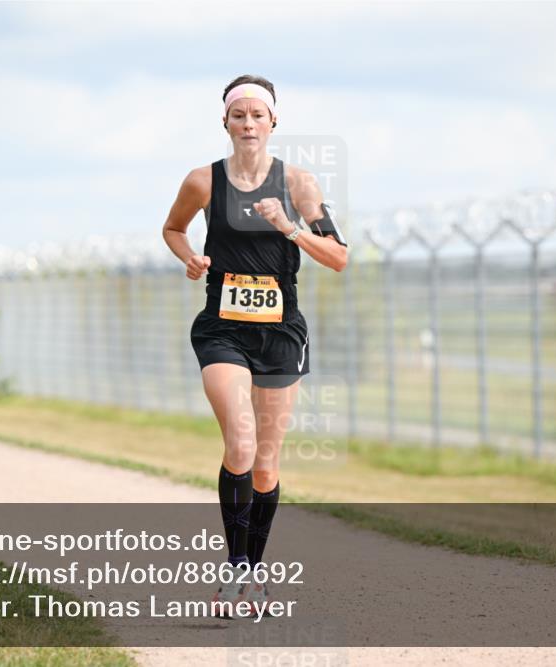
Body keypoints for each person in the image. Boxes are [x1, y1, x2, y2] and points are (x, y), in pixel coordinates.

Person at [162, 75, 348, 617]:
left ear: (273, 122)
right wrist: (190, 258)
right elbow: (173, 229)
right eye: (238, 115)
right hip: (222, 327)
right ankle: (236, 571)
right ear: (225, 121)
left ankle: (254, 575)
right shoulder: (202, 181)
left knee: (265, 462)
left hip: (281, 329)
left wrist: (289, 229)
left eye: (257, 115)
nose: (248, 123)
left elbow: (338, 257)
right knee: (240, 440)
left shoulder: (299, 184)